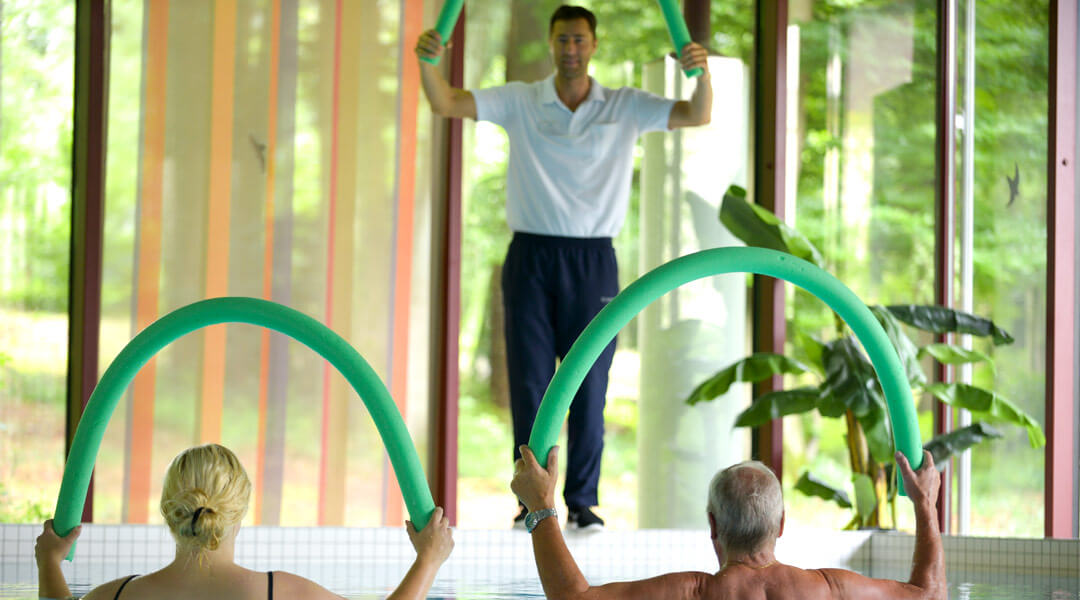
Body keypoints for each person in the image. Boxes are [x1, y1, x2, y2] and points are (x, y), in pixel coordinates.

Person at [416, 5, 712, 531]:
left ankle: (582, 502)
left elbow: (697, 114)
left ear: (593, 45)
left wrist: (700, 69)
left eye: (579, 40)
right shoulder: (523, 99)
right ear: (551, 45)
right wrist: (427, 61)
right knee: (530, 387)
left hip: (594, 260)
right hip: (530, 255)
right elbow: (444, 102)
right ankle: (533, 501)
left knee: (592, 387)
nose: (570, 49)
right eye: (561, 40)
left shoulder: (623, 106)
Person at [511, 444, 947, 600]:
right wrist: (925, 505)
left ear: (713, 525)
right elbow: (930, 597)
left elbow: (573, 599)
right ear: (781, 524)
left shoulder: (690, 593)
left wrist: (542, 508)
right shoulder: (830, 590)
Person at [36, 443, 454, 600]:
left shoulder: (114, 597)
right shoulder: (283, 593)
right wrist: (428, 561)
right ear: (240, 513)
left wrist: (49, 564)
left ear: (167, 512)